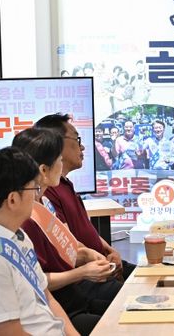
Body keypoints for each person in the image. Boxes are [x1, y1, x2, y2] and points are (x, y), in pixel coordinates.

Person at [12, 128, 120, 335]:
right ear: (44, 170)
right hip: (61, 307)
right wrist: (83, 272)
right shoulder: (25, 218)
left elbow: (69, 245)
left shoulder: (45, 203)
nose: (62, 166)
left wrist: (87, 254)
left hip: (73, 297)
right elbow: (37, 281)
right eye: (59, 160)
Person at [0, 148, 78, 335]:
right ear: (13, 199)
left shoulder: (17, 236)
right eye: (34, 188)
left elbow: (47, 297)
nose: (36, 196)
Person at [35, 113, 136, 279]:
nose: (82, 147)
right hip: (90, 274)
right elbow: (67, 243)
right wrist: (97, 262)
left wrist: (110, 250)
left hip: (101, 264)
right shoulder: (48, 191)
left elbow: (87, 229)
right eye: (77, 140)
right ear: (56, 143)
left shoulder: (65, 184)